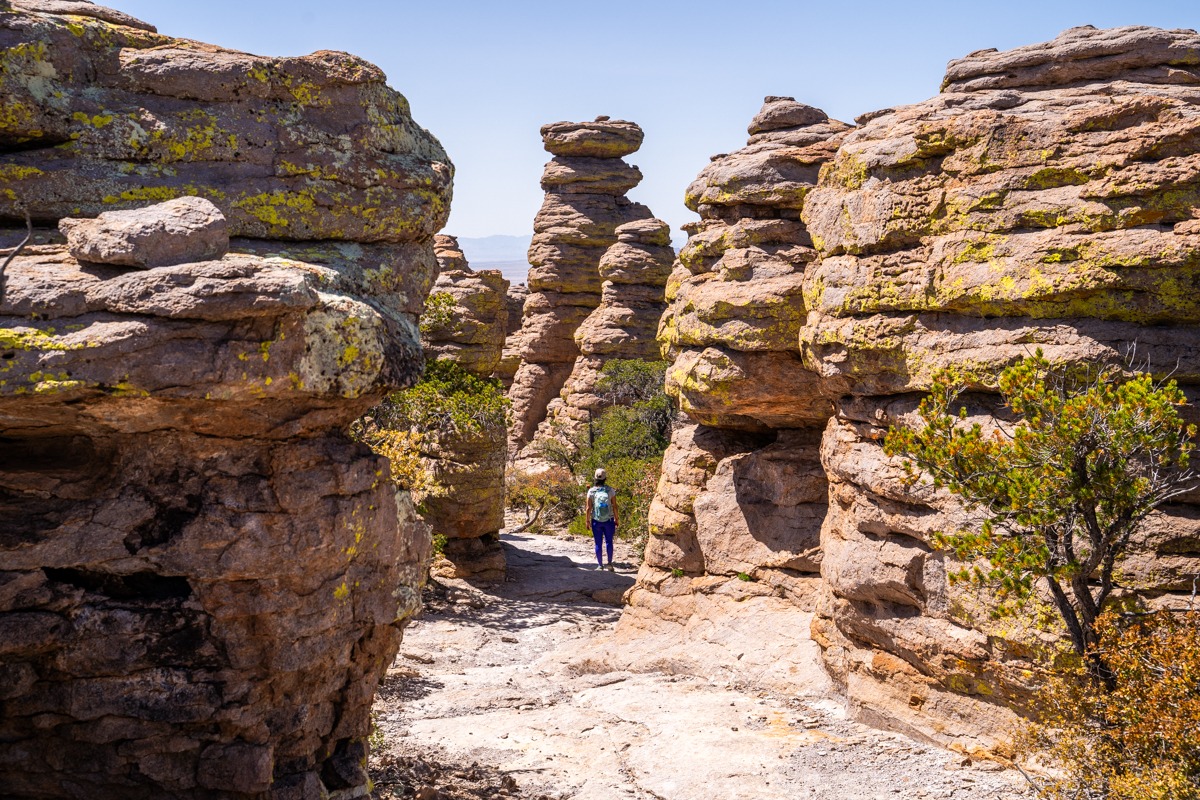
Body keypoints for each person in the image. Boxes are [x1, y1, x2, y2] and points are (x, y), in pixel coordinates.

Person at [585, 468, 618, 571]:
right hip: (609, 520)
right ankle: (609, 564)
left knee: (598, 543)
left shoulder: (591, 491)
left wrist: (587, 521)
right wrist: (616, 518)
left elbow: (588, 508)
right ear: (605, 478)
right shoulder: (610, 490)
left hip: (596, 520)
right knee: (609, 541)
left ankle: (600, 565)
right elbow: (614, 506)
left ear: (595, 478)